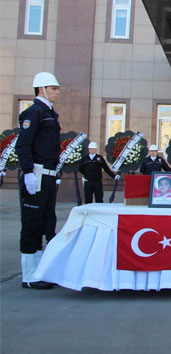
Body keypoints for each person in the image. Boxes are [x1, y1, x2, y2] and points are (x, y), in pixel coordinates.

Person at [15, 72, 63, 289]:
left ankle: (39, 270)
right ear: (41, 89)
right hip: (36, 174)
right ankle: (29, 274)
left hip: (49, 176)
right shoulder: (34, 112)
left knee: (47, 222)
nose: (57, 92)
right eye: (54, 89)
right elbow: (23, 145)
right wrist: (27, 172)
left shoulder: (49, 113)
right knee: (32, 223)